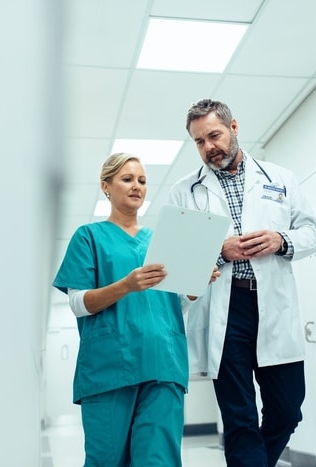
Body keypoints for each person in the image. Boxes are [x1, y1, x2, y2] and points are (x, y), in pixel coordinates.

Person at [168, 99, 316, 467]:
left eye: (214, 136)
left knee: (287, 411)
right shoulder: (184, 191)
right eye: (200, 142)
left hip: (273, 305)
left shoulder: (280, 178)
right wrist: (218, 250)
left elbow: (312, 233)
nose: (209, 147)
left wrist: (281, 241)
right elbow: (177, 267)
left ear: (234, 128)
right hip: (226, 309)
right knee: (240, 420)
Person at [53, 153, 206, 467]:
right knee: (107, 460)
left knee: (159, 460)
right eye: (127, 179)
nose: (136, 186)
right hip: (110, 367)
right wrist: (125, 285)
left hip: (163, 363)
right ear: (106, 186)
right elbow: (78, 303)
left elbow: (173, 305)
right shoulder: (89, 237)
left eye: (142, 181)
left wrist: (193, 288)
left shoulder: (163, 240)